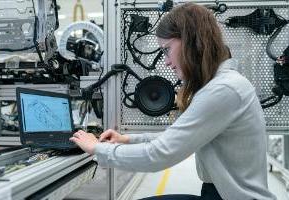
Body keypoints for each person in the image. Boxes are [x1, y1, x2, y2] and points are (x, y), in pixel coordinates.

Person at [70, 3, 276, 200]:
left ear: (190, 41)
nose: (167, 61)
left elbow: (159, 155)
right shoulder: (224, 85)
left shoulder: (223, 90)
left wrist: (97, 149)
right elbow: (178, 136)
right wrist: (127, 139)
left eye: (167, 49)